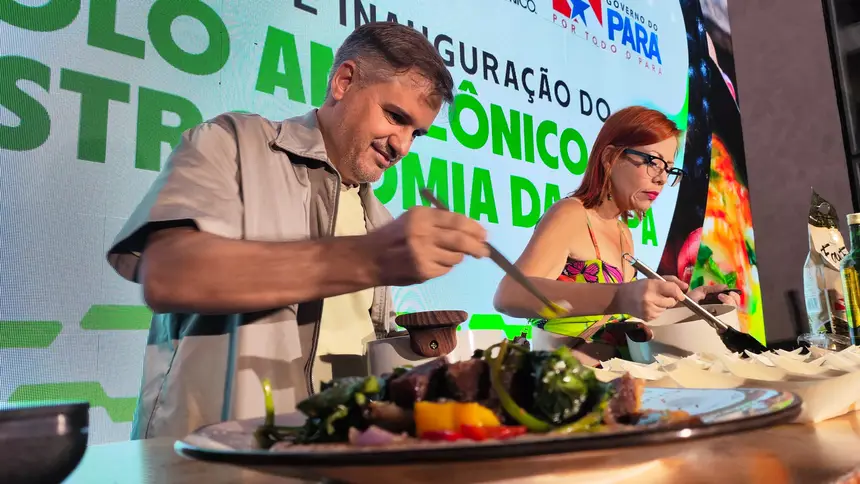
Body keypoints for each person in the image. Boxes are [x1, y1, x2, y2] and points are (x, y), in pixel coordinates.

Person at [107, 23, 695, 440]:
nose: (403, 145)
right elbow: (169, 274)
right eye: (395, 117)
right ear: (344, 81)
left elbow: (347, 358)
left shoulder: (376, 215)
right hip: (209, 458)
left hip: (323, 454)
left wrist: (422, 353)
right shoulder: (233, 143)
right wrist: (369, 259)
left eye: (417, 132)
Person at [493, 106, 739, 346]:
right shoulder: (571, 214)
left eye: (668, 168)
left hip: (613, 370)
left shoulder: (623, 232)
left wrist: (686, 306)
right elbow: (510, 295)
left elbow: (612, 320)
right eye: (653, 162)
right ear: (610, 157)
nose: (662, 178)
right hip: (565, 370)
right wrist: (621, 295)